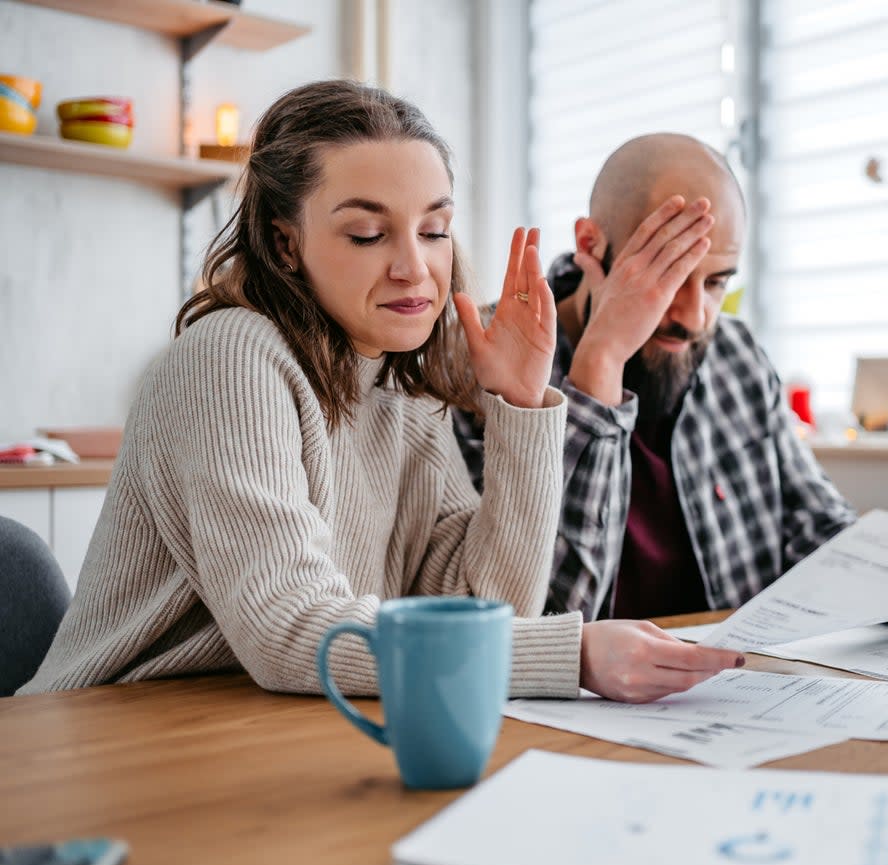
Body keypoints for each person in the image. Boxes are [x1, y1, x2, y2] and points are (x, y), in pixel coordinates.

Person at [19, 83, 742, 703]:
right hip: (102, 743)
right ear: (283, 244)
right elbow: (289, 629)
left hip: (257, 732)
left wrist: (522, 406)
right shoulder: (232, 355)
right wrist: (573, 654)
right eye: (368, 233)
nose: (414, 267)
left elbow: (485, 609)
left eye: (434, 230)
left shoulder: (405, 389)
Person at [455, 133, 888, 625]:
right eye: (669, 275)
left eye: (717, 282)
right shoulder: (484, 361)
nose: (695, 316)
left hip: (738, 689)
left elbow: (814, 525)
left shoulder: (735, 354)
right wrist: (601, 360)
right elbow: (539, 618)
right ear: (592, 245)